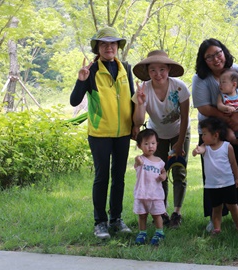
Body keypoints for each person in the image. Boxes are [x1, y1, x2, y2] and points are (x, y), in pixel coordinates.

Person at [69, 26, 134, 239]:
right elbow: (74, 101)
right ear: (97, 48)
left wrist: (135, 126)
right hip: (100, 132)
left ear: (117, 46)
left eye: (113, 43)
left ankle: (116, 219)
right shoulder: (92, 70)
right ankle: (100, 222)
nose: (109, 47)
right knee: (102, 176)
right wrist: (81, 79)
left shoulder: (125, 68)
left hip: (123, 132)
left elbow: (132, 98)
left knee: (119, 177)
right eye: (104, 44)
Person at [192, 39, 238, 231]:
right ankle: (216, 217)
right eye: (209, 57)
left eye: (218, 53)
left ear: (225, 52)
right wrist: (228, 119)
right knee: (214, 174)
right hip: (213, 134)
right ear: (203, 60)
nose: (215, 59)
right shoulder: (200, 78)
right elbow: (203, 107)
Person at [132, 50, 190, 229]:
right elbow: (139, 121)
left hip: (180, 131)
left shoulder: (179, 87)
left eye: (162, 69)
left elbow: (185, 117)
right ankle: (161, 211)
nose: (158, 74)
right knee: (159, 173)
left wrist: (180, 143)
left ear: (169, 69)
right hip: (157, 135)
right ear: (148, 72)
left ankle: (177, 212)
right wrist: (140, 102)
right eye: (153, 70)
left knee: (179, 171)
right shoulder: (144, 89)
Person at [192, 117, 238, 235]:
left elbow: (233, 163)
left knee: (233, 206)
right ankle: (217, 229)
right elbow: (199, 150)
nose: (202, 137)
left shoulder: (227, 146)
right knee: (216, 208)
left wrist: (237, 178)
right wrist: (196, 151)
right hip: (212, 185)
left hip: (228, 183)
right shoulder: (205, 147)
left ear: (215, 135)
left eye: (205, 134)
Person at [133, 129, 167, 245]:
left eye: (153, 143)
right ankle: (142, 232)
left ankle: (159, 232)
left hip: (155, 194)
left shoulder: (159, 161)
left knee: (157, 215)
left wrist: (163, 176)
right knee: (142, 215)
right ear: (139, 146)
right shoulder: (141, 160)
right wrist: (137, 160)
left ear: (157, 144)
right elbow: (137, 163)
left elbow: (164, 171)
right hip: (142, 193)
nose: (150, 146)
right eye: (146, 144)